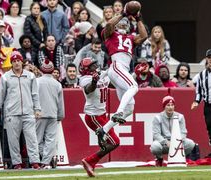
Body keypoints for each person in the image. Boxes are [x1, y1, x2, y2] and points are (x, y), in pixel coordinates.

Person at [95, 7, 148, 150]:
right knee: (134, 87)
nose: (124, 24)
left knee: (130, 107)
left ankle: (104, 130)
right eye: (121, 22)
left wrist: (138, 19)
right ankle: (118, 112)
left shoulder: (131, 38)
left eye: (126, 22)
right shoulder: (110, 34)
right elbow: (109, 26)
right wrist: (123, 14)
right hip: (116, 65)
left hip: (122, 70)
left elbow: (143, 36)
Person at [0, 51, 41, 170]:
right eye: (14, 61)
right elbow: (0, 95)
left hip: (28, 112)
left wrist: (37, 109)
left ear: (22, 62)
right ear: (11, 63)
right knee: (13, 140)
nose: (16, 63)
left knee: (32, 138)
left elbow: (35, 94)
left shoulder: (30, 76)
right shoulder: (5, 77)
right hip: (12, 113)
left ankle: (35, 161)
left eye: (18, 60)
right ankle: (17, 163)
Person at [79, 57, 120, 177]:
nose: (96, 65)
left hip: (102, 115)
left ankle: (90, 162)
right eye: (92, 65)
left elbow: (114, 84)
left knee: (113, 142)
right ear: (87, 69)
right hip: (93, 116)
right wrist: (94, 81)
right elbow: (88, 89)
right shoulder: (85, 79)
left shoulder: (102, 74)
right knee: (114, 142)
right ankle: (90, 161)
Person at [151, 96, 196, 167]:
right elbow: (156, 135)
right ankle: (159, 159)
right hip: (164, 144)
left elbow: (183, 132)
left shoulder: (180, 116)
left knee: (190, 144)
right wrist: (165, 142)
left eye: (172, 105)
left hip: (177, 143)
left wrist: (177, 141)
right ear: (164, 106)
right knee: (155, 146)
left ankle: (181, 158)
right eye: (168, 105)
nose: (170, 107)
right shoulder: (158, 117)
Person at [36, 59, 65, 169]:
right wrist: (60, 115)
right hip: (53, 114)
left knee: (37, 140)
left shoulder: (36, 81)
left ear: (41, 69)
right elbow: (60, 102)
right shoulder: (57, 84)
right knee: (50, 140)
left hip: (39, 114)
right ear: (52, 70)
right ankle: (46, 161)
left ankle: (45, 159)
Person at [23, 1, 48, 67]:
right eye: (34, 8)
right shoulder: (28, 19)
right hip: (34, 47)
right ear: (31, 9)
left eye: (38, 8)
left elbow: (46, 31)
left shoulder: (42, 18)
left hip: (43, 45)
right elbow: (28, 34)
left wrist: (46, 42)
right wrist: (39, 44)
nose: (36, 10)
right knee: (35, 65)